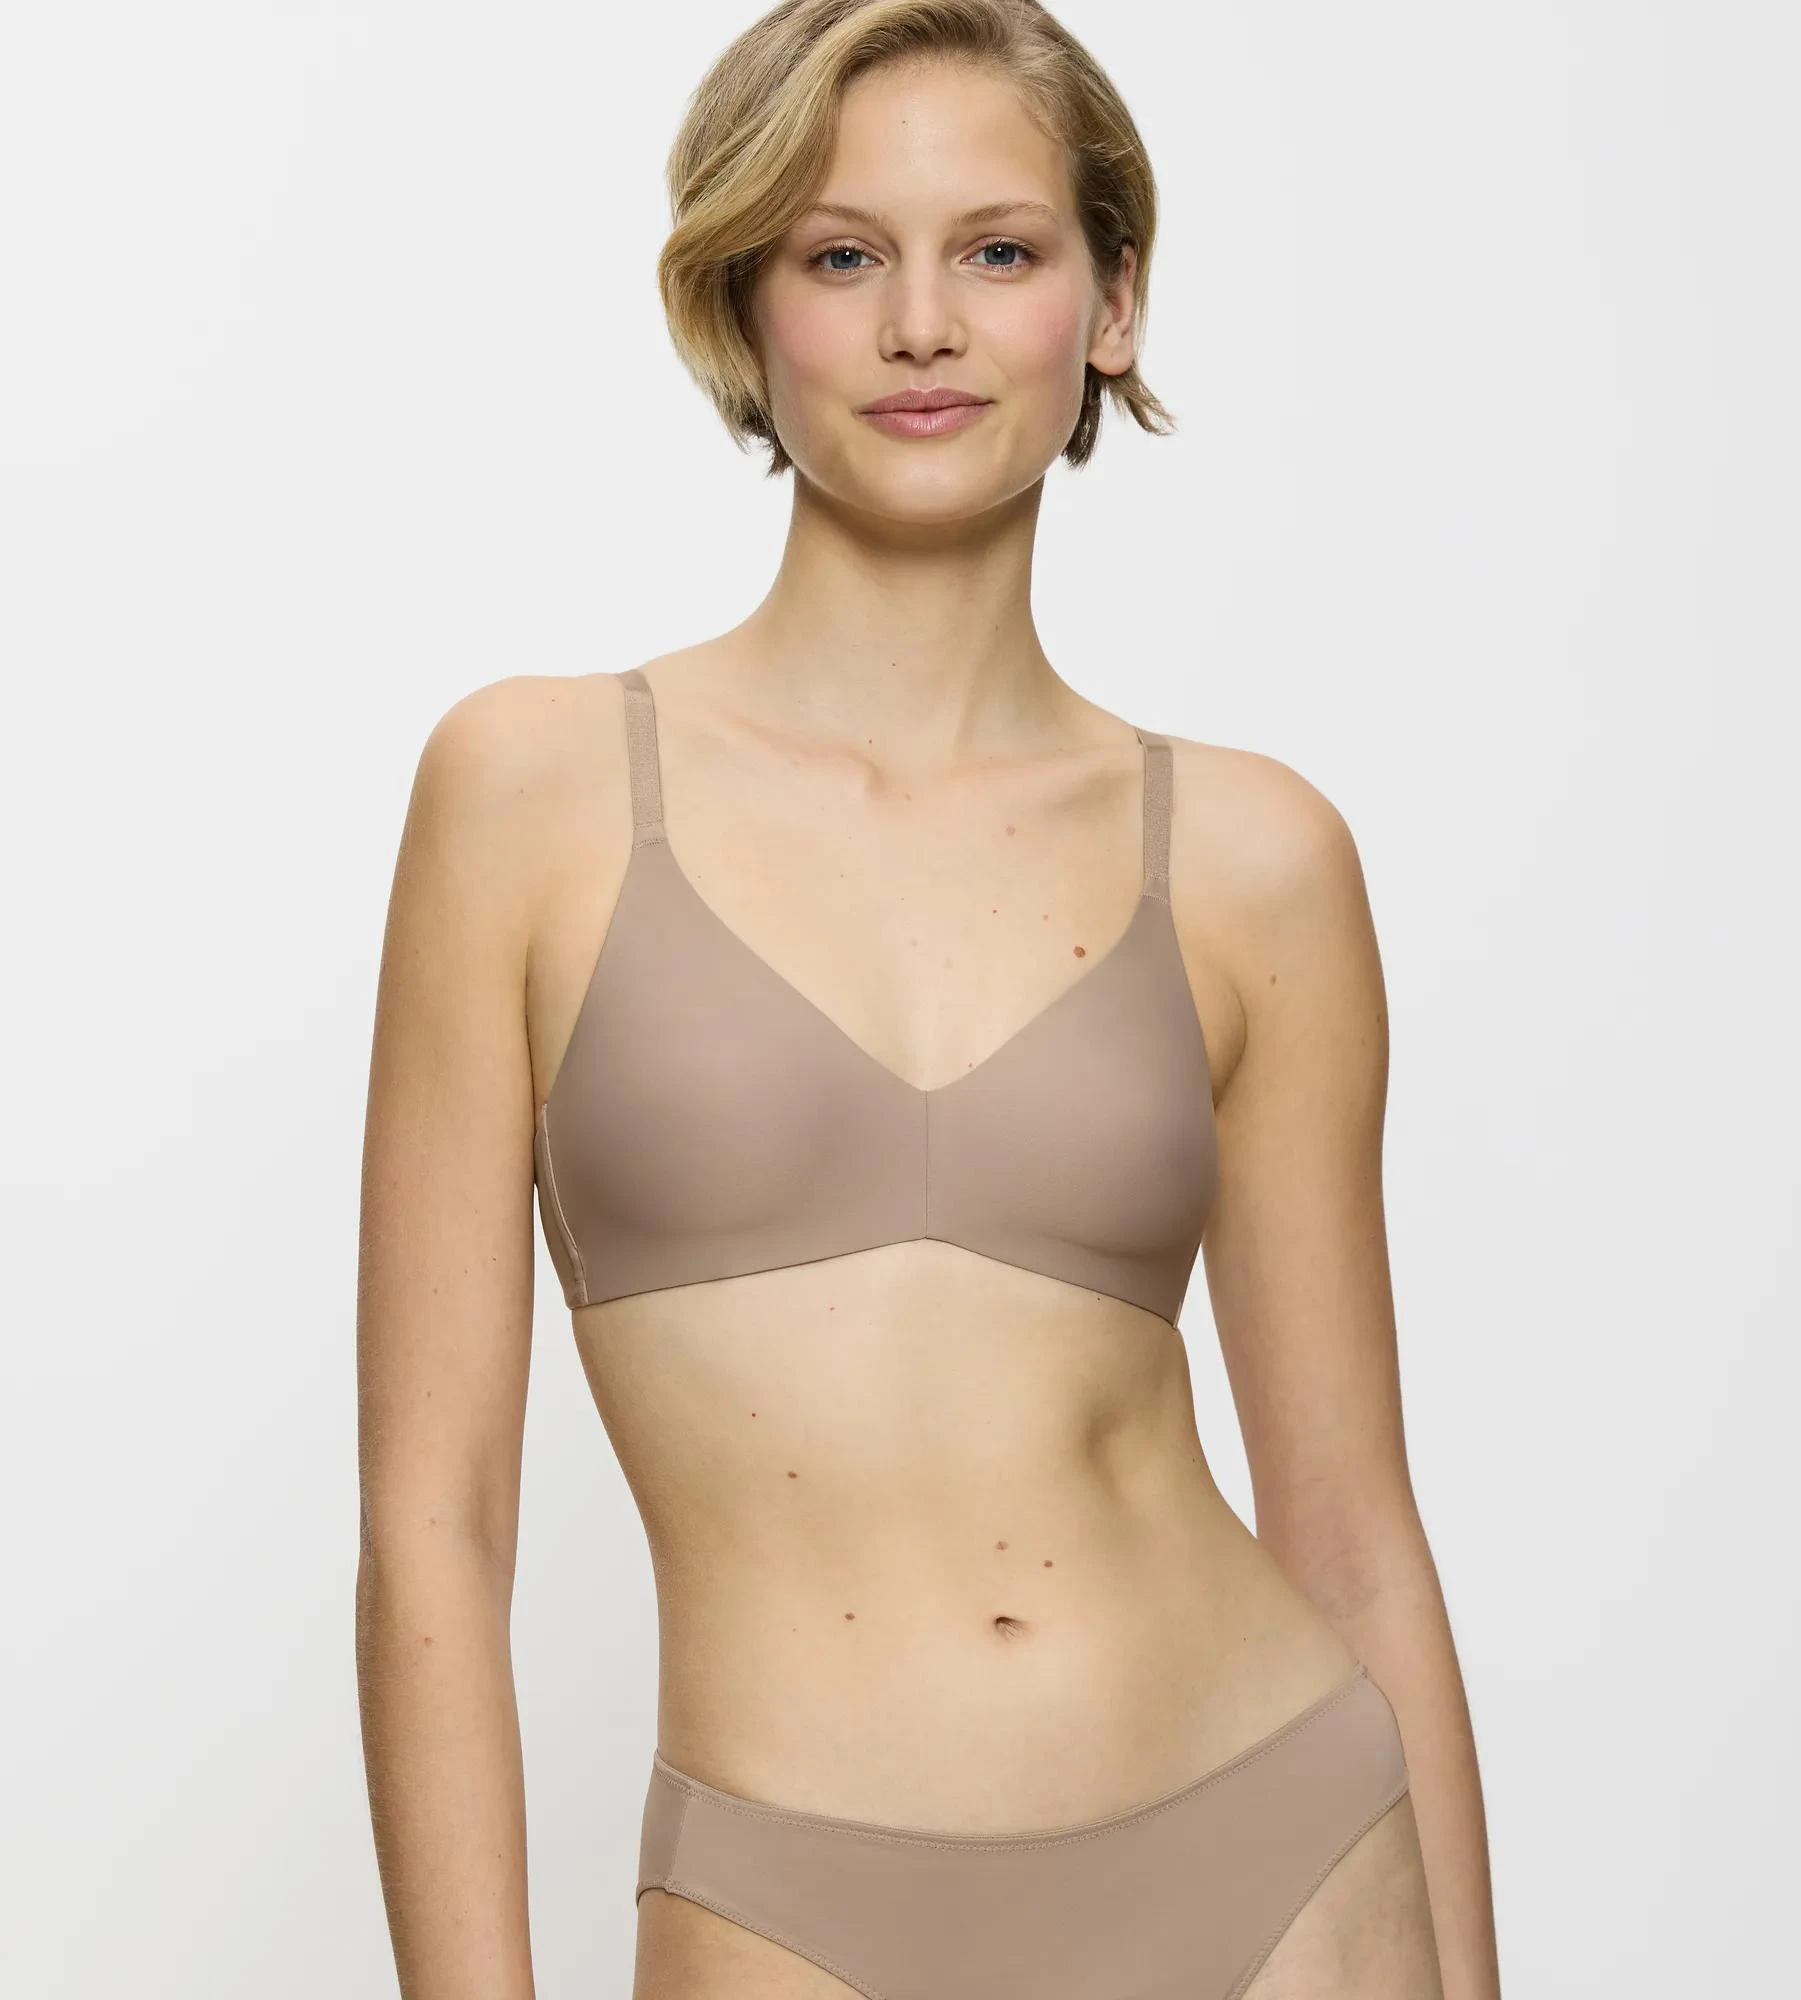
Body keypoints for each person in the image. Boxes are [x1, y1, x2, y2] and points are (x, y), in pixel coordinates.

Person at [355, 3, 1500, 1995]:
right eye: (840, 254)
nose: (921, 327)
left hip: (1282, 1858)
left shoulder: (1256, 858)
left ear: (1110, 304)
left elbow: (1352, 1527)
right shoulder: (531, 795)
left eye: (998, 248)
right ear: (746, 308)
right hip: (794, 1900)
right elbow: (432, 1524)